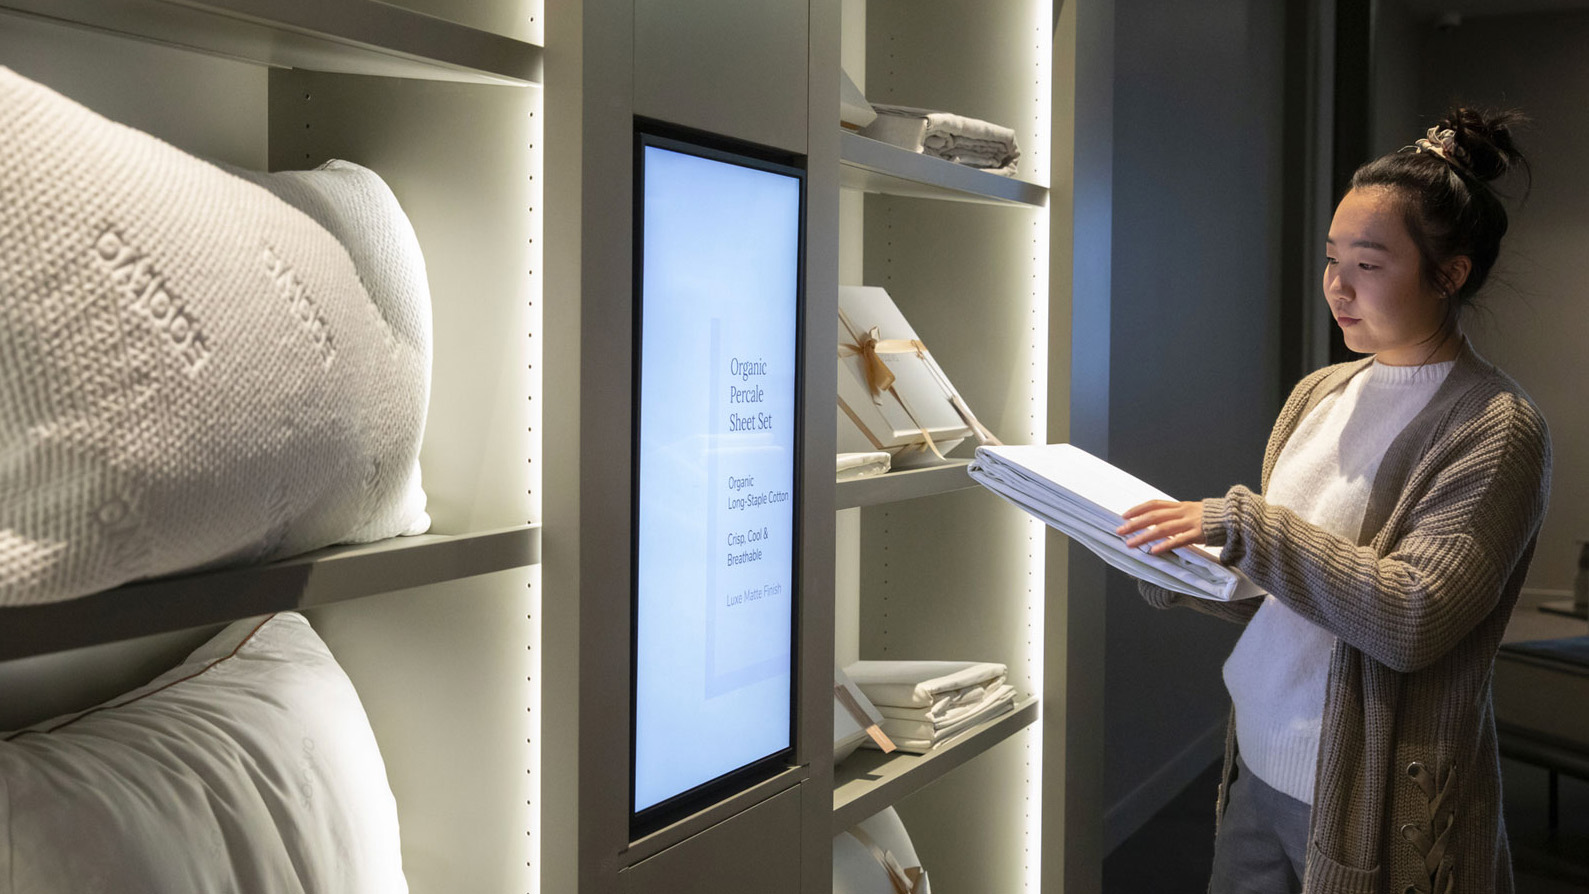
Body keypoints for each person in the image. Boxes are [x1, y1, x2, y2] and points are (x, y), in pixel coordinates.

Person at [1115, 109, 1552, 894]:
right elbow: (1298, 592)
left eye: (1367, 263)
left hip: (1371, 797)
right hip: (1254, 761)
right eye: (1330, 258)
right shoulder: (1319, 392)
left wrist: (1242, 526)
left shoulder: (1493, 426)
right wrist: (1183, 564)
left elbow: (1412, 619)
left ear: (1449, 274)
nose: (1337, 287)